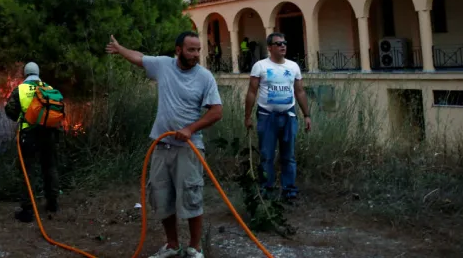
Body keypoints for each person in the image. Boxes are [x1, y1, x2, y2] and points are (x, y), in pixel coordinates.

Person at [106, 31, 223, 258]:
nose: (196, 54)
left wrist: (190, 129)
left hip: (189, 150)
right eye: (191, 49)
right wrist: (121, 50)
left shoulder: (205, 77)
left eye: (198, 49)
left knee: (191, 196)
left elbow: (216, 112)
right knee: (161, 197)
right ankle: (172, 245)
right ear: (178, 50)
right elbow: (140, 58)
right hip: (162, 146)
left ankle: (195, 248)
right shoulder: (163, 65)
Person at [244, 32, 312, 200]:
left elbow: (300, 91)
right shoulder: (260, 66)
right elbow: (252, 92)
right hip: (267, 117)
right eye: (278, 43)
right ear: (269, 48)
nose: (283, 46)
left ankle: (289, 190)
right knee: (266, 155)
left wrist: (307, 115)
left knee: (288, 156)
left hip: (289, 116)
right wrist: (247, 116)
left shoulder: (293, 67)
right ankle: (267, 190)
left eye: (284, 43)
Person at [4, 61, 61, 222]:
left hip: (29, 135)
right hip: (49, 134)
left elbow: (12, 112)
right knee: (50, 167)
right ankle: (53, 203)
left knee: (28, 171)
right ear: (38, 73)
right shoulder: (48, 88)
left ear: (25, 74)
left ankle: (28, 210)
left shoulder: (20, 89)